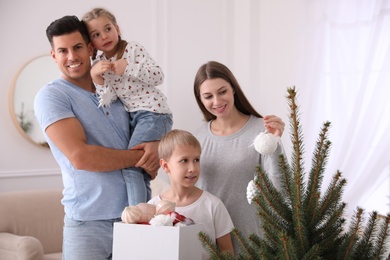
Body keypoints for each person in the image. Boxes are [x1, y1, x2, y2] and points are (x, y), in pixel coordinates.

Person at [34, 15, 160, 259]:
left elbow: (145, 122)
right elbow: (82, 157)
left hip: (137, 218)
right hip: (89, 225)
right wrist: (140, 158)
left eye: (78, 47)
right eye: (63, 50)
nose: (72, 57)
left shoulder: (116, 86)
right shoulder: (52, 97)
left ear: (90, 48)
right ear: (54, 56)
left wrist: (154, 148)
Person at [82, 8, 173, 206]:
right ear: (91, 44)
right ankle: (145, 215)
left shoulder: (132, 49)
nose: (104, 36)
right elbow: (110, 99)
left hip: (153, 112)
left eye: (107, 29)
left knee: (132, 167)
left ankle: (136, 218)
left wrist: (128, 67)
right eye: (96, 34)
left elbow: (158, 76)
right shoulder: (99, 63)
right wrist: (96, 77)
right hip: (133, 117)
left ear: (117, 28)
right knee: (142, 170)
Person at [193, 61, 286, 253]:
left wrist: (274, 143)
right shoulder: (197, 137)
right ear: (200, 99)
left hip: (252, 242)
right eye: (208, 96)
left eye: (222, 92)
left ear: (233, 89)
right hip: (209, 244)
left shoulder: (262, 129)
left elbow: (280, 189)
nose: (217, 101)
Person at [148, 129, 234, 259]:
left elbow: (228, 254)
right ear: (165, 166)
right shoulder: (152, 207)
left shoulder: (213, 205)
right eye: (184, 160)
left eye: (196, 160)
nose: (192, 168)